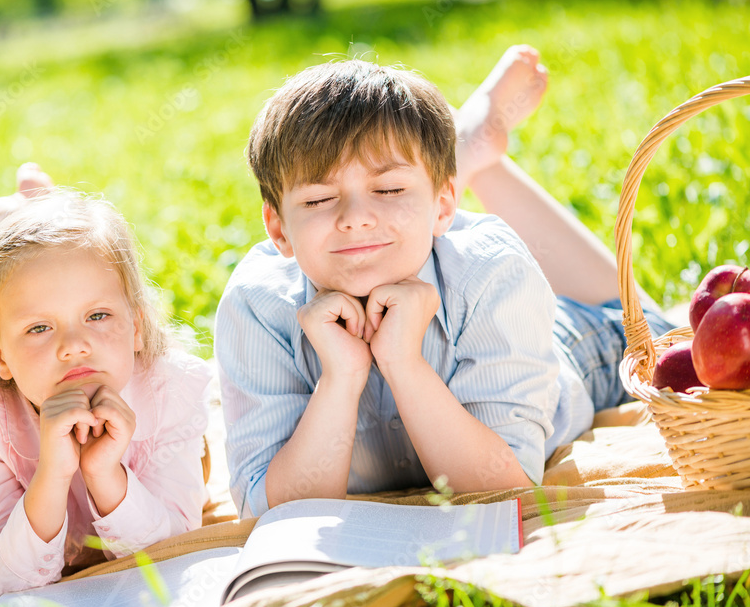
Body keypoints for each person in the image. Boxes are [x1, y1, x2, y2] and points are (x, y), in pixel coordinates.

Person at [215, 45, 676, 518]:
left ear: (443, 207)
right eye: (318, 199)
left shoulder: (490, 270)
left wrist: (404, 363)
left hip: (574, 350)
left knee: (647, 332)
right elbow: (266, 509)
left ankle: (468, 151)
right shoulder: (258, 306)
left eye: (389, 189)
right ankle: (463, 149)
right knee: (415, 181)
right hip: (440, 232)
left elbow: (504, 488)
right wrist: (341, 377)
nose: (355, 218)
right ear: (277, 229)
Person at [0, 187, 212, 600]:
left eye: (97, 315)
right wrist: (53, 474)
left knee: (6, 302)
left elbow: (172, 554)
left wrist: (104, 474)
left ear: (135, 326)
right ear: (2, 356)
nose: (74, 345)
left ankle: (24, 221)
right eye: (39, 328)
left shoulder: (172, 390)